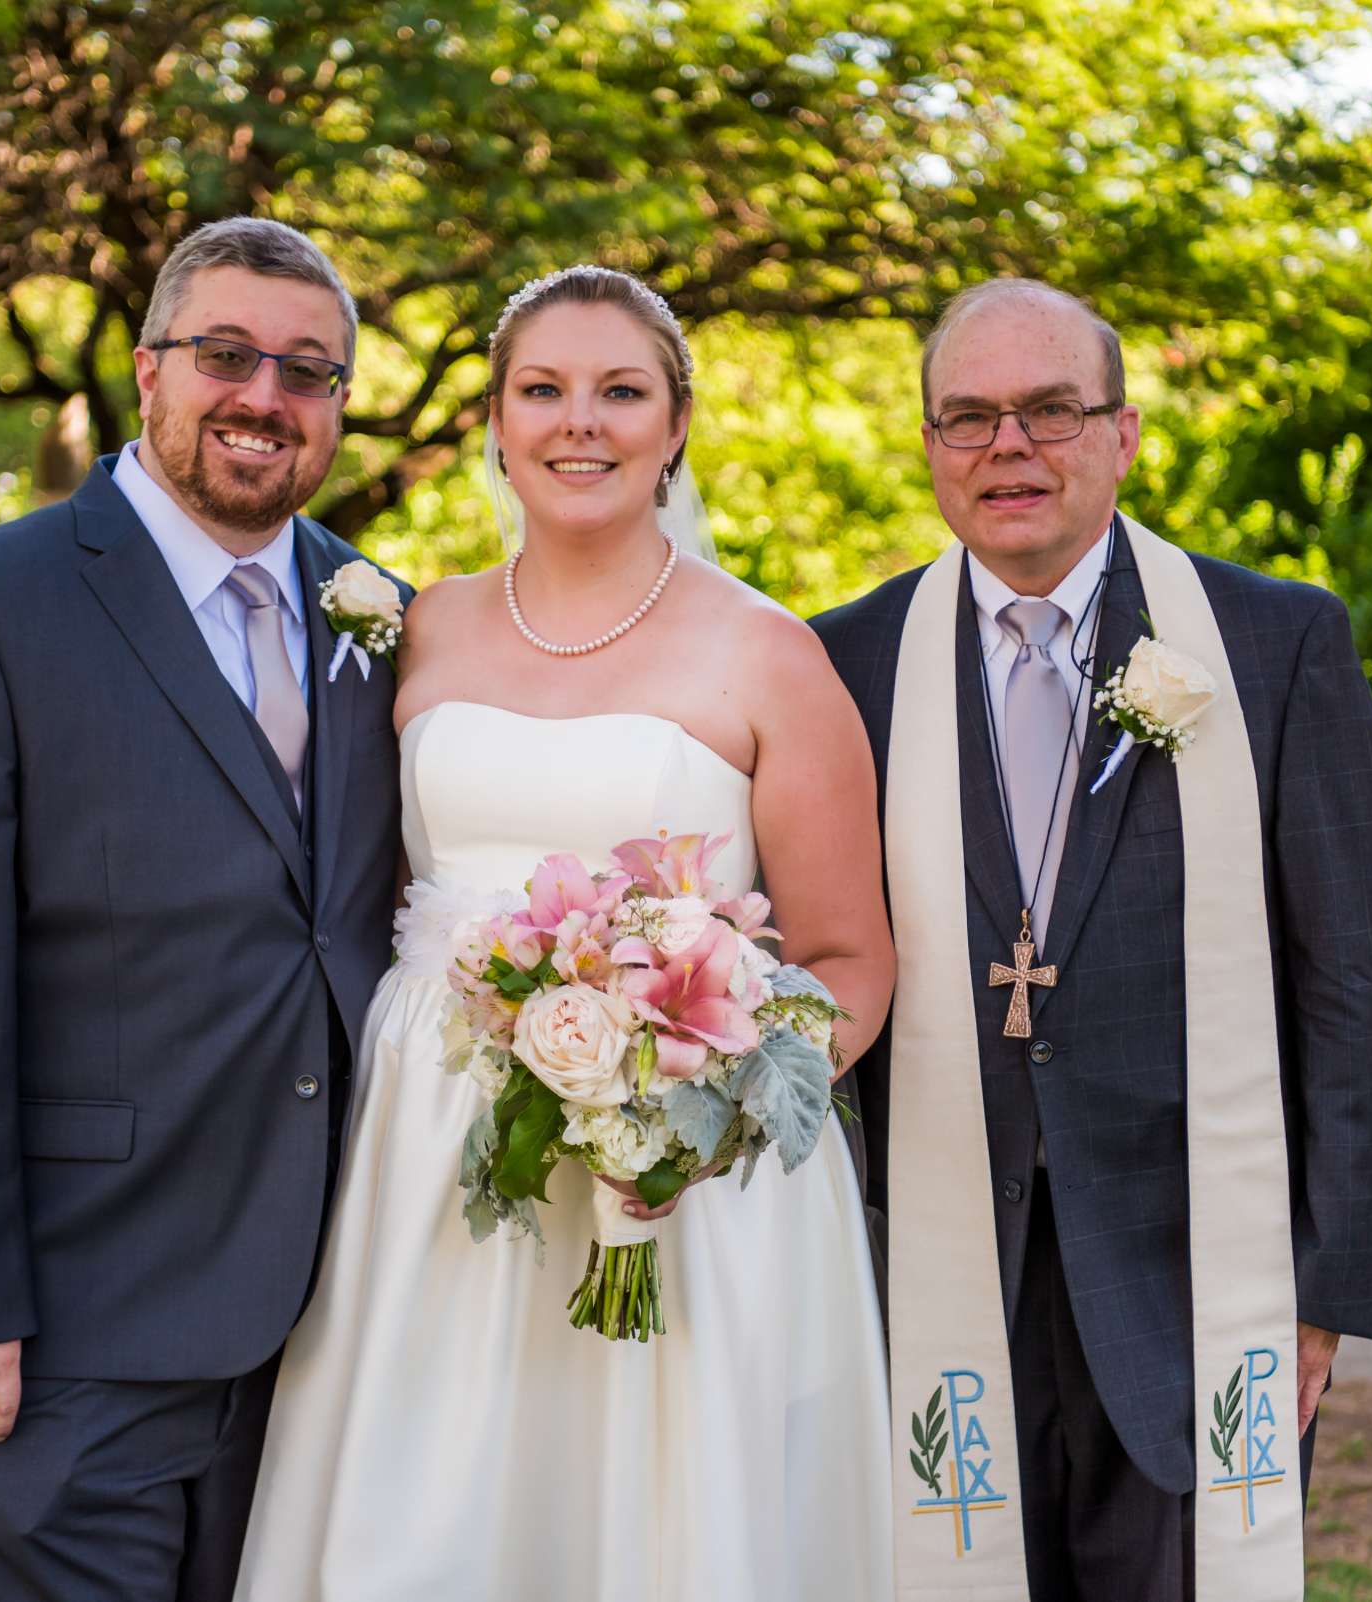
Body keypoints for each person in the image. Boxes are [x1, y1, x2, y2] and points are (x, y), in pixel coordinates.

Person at [232, 265, 899, 1601]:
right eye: (541, 389)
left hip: (687, 1196)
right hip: (435, 1168)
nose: (577, 422)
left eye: (619, 391)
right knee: (436, 1517)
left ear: (678, 423)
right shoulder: (410, 627)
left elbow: (848, 960)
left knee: (667, 1529)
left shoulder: (769, 654)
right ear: (495, 419)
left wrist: (701, 1116)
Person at [813, 279, 1372, 1600]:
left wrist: (1325, 1286)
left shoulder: (1272, 641)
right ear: (928, 446)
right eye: (967, 417)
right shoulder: (843, 661)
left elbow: (1362, 977)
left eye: (1048, 411)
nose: (1008, 447)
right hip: (933, 1276)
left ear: (1125, 432)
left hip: (1198, 1280)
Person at [0, 216, 410, 1600]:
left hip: (326, 1337)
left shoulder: (378, 615)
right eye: (226, 355)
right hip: (69, 1335)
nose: (263, 397)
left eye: (307, 371)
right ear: (149, 372)